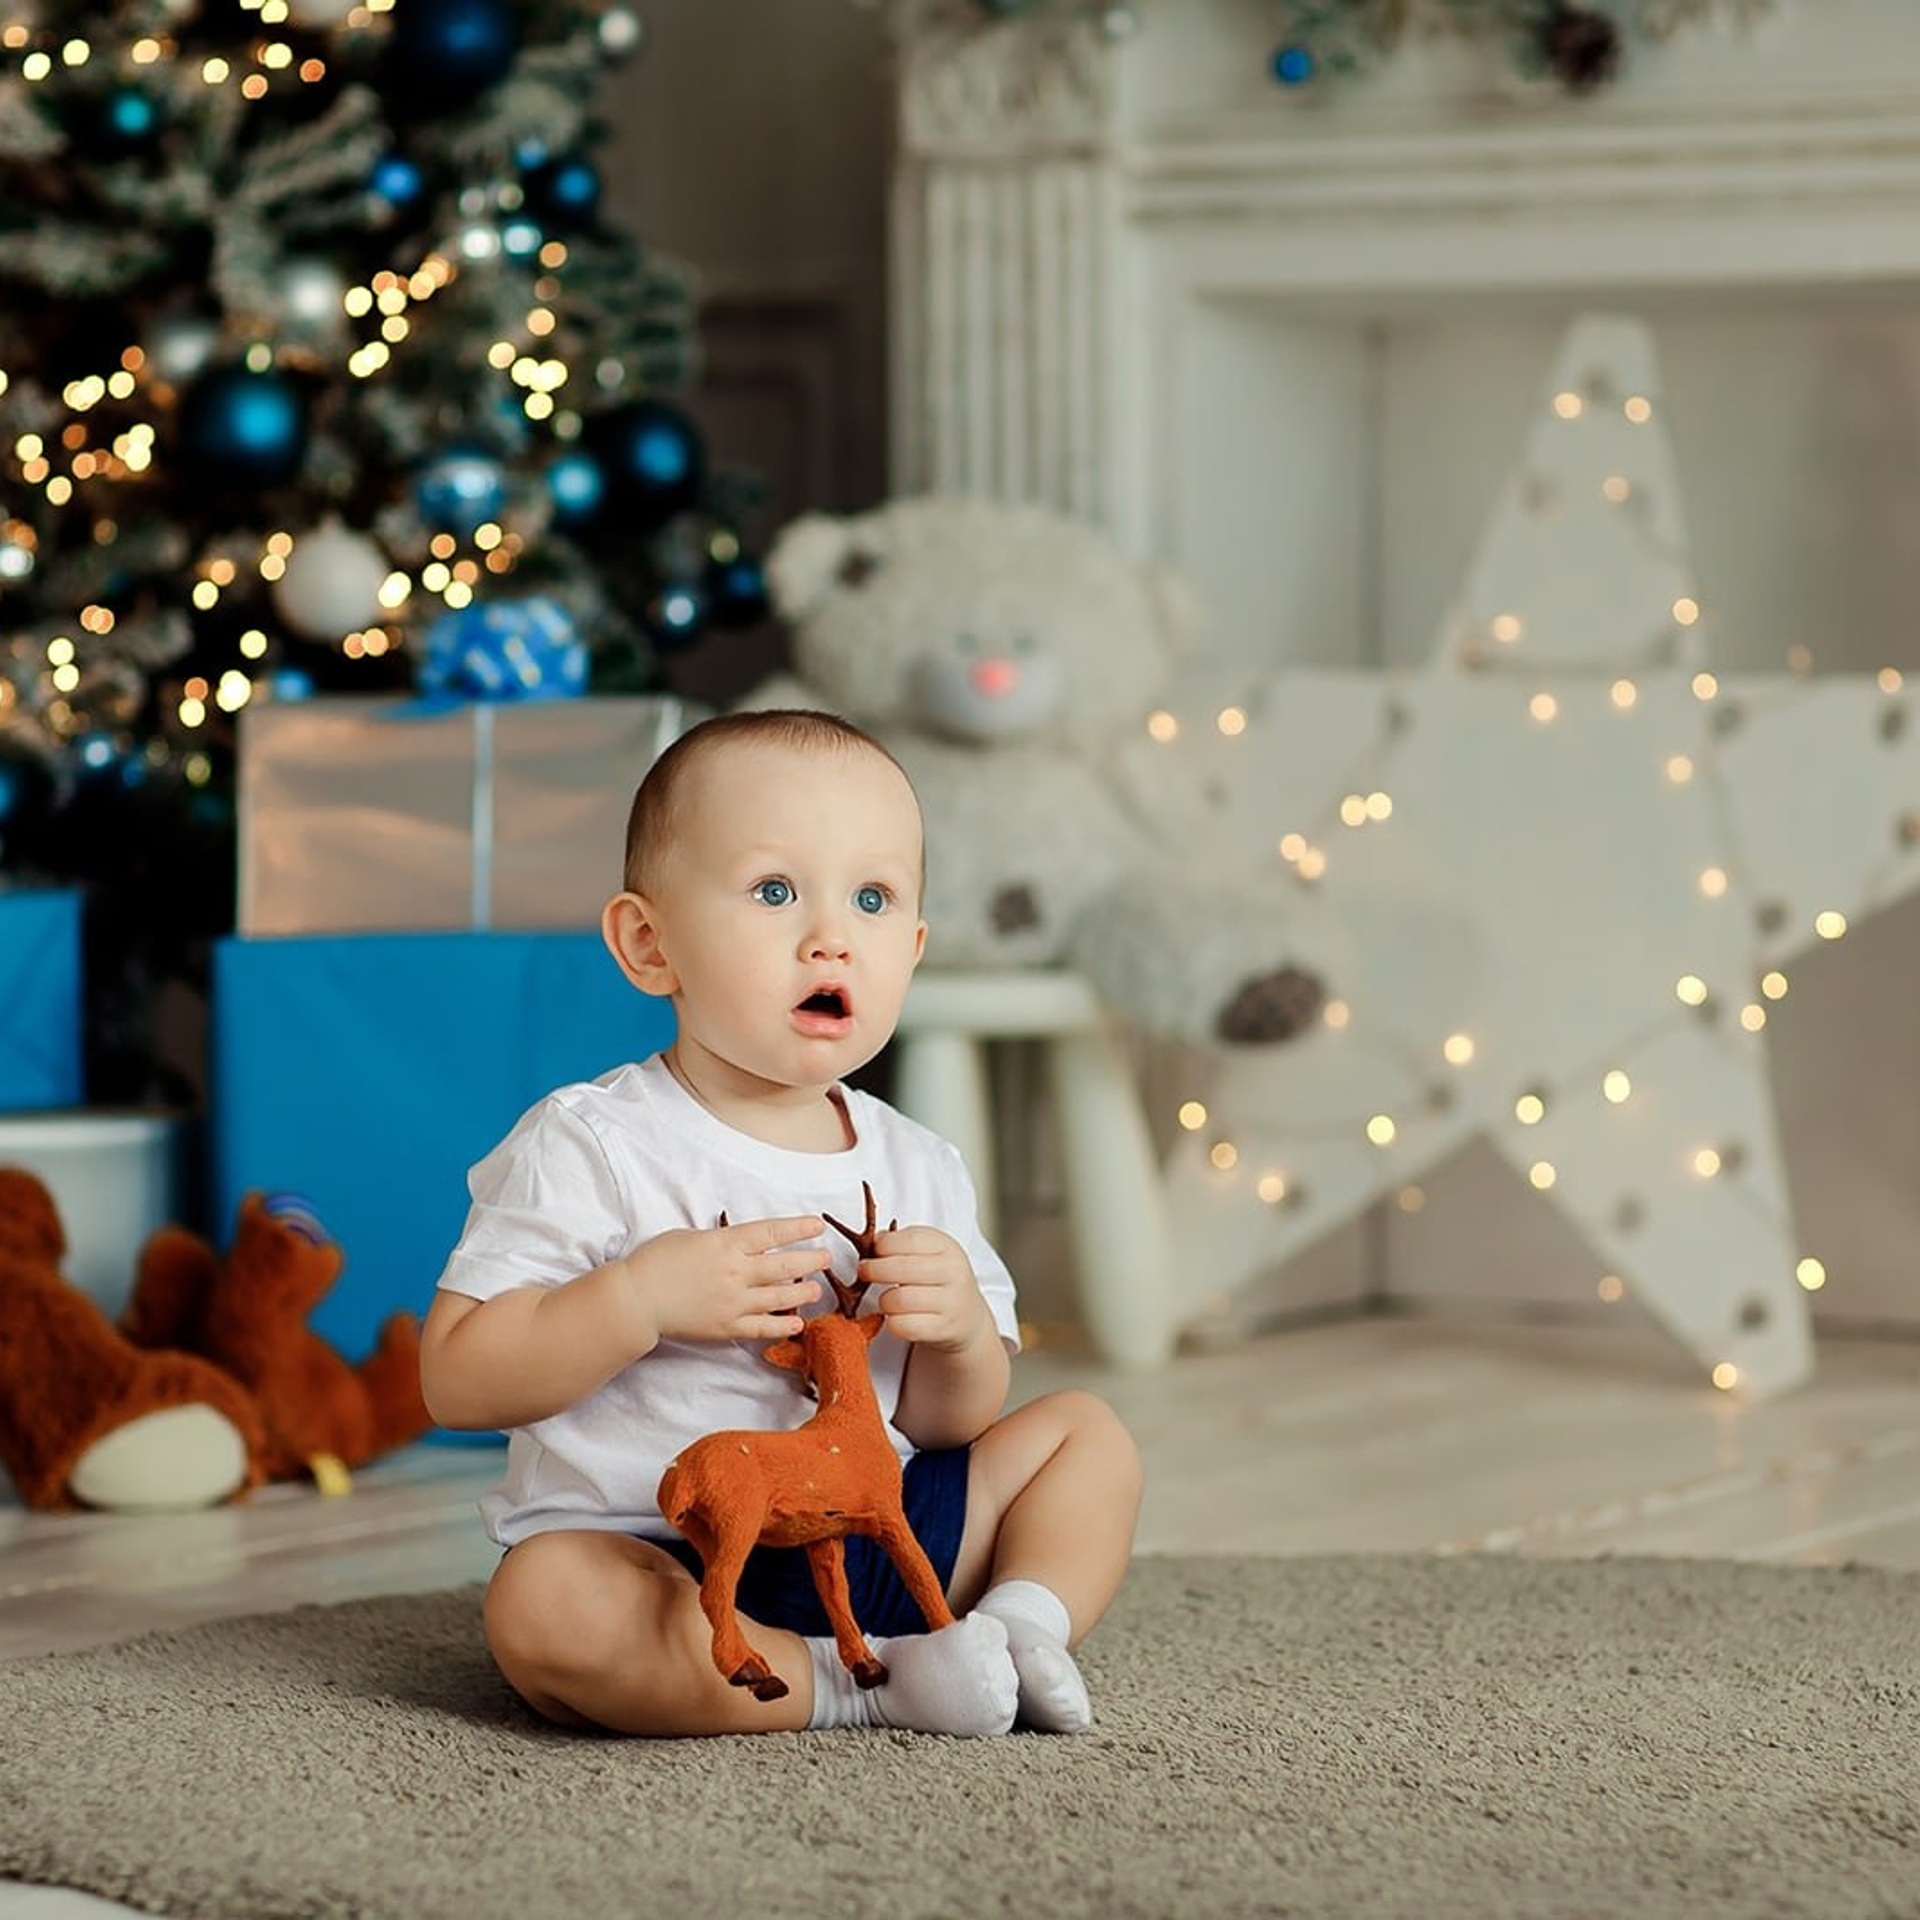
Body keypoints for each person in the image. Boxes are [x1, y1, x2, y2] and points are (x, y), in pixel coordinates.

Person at [420, 708, 1143, 1738]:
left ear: (915, 947)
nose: (830, 935)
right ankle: (858, 1687)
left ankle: (1019, 1627)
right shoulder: (592, 1143)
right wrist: (637, 1298)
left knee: (1089, 1437)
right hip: (670, 1554)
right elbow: (455, 1377)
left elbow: (948, 1425)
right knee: (545, 1607)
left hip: (879, 1517)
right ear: (648, 942)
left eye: (873, 897)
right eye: (773, 891)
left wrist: (962, 1336)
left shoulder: (917, 1161)